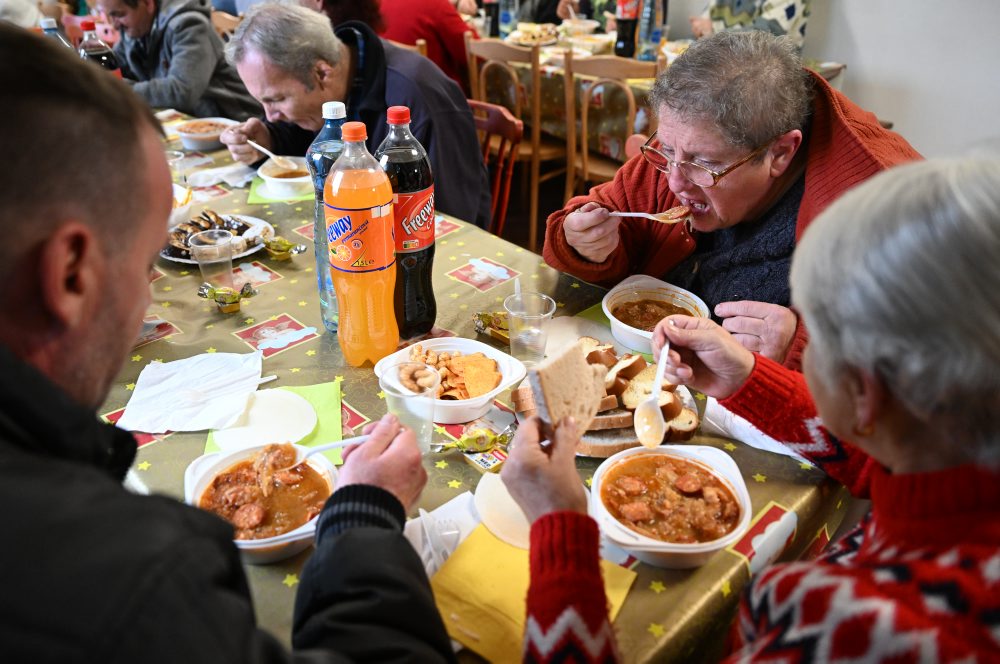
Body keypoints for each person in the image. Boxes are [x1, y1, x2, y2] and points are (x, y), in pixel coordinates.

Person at [0, 23, 456, 661]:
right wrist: (365, 514)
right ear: (69, 274)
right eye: (144, 260)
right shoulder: (130, 580)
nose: (153, 288)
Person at [503, 157, 1000, 661]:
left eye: (815, 333)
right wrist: (748, 378)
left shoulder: (856, 630)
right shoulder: (951, 456)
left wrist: (559, 527)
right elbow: (889, 461)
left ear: (865, 392)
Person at [542, 30, 921, 370]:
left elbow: (918, 364)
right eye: (667, 150)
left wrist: (804, 346)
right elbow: (590, 220)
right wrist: (583, 243)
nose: (675, 181)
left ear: (781, 153)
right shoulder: (686, 143)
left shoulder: (883, 209)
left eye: (705, 164)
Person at [220, 3, 492, 228]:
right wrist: (269, 139)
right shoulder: (340, 76)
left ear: (322, 73)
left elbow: (452, 220)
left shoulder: (417, 97)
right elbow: (309, 139)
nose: (271, 115)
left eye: (276, 99)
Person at [95, 0, 261, 120]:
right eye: (109, 16)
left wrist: (116, 89)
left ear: (147, 3)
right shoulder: (135, 29)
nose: (115, 25)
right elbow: (114, 70)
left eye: (119, 15)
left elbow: (181, 91)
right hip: (194, 122)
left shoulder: (189, 25)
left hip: (237, 122)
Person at [691, 0, 810, 51]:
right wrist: (701, 28)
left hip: (769, 77)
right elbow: (704, 23)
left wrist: (713, 32)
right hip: (720, 66)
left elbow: (766, 35)